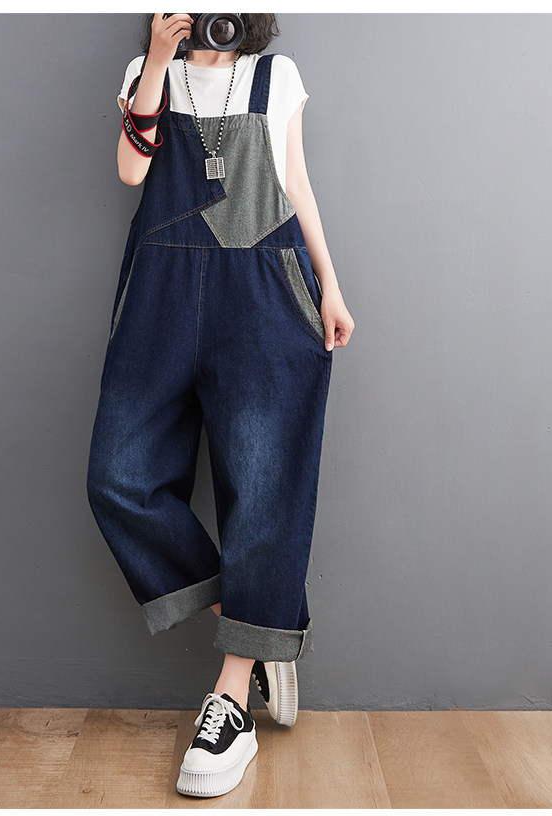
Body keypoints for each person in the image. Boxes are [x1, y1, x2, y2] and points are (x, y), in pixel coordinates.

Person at [86, 13, 354, 798]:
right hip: (160, 296)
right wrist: (158, 58)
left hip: (266, 292)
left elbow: (295, 182)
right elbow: (131, 171)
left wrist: (330, 286)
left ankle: (232, 695)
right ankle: (262, 622)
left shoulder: (278, 76)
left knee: (264, 493)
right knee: (118, 478)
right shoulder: (148, 72)